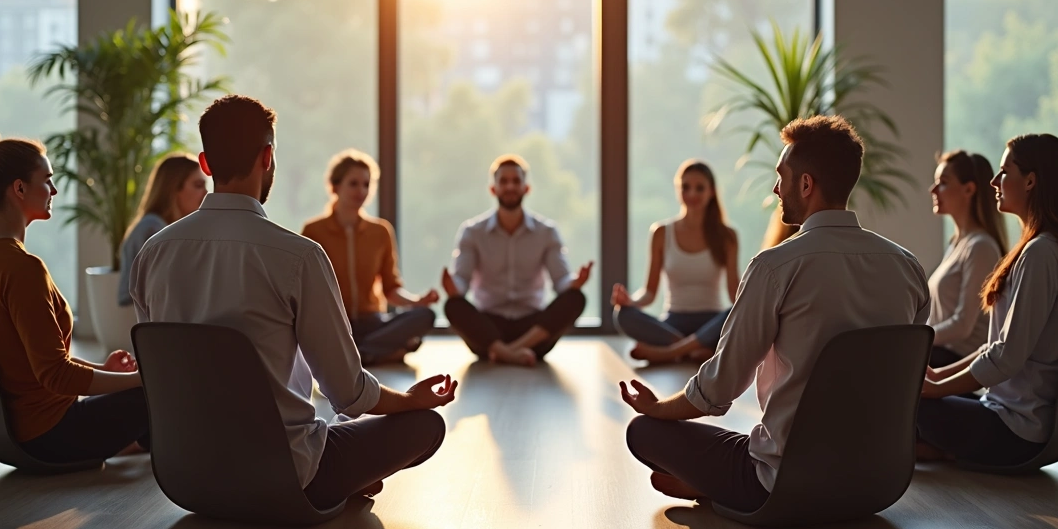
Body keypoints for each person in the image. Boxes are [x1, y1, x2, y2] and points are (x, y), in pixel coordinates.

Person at [130, 95, 455, 508]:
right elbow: (349, 394)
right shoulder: (298, 255)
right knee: (424, 425)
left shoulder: (152, 255)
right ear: (267, 157)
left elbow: (155, 372)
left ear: (206, 164)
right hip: (285, 478)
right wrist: (410, 400)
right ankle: (345, 477)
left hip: (185, 479)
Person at [618, 115, 929, 511]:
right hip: (880, 485)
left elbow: (719, 387)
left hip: (785, 484)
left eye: (782, 176)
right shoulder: (908, 268)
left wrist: (657, 408)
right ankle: (715, 485)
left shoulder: (776, 266)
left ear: (806, 184)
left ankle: (715, 488)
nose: (776, 187)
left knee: (644, 431)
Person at [0, 128, 148, 463]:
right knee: (162, 389)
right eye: (47, 179)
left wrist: (106, 370)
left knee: (144, 393)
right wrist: (140, 380)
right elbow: (56, 375)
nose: (54, 190)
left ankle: (133, 442)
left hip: (14, 432)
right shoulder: (22, 268)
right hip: (50, 434)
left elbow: (32, 360)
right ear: (20, 188)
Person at [918, 134, 1058, 466]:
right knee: (911, 395)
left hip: (1016, 430)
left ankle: (939, 451)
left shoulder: (1042, 253)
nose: (994, 181)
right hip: (1012, 419)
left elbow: (1006, 357)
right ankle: (939, 451)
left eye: (1004, 172)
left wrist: (937, 390)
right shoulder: (1050, 248)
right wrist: (938, 378)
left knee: (903, 399)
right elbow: (1000, 345)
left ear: (1031, 181)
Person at [442, 154, 594, 366]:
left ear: (526, 188)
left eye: (516, 181)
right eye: (503, 181)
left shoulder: (547, 232)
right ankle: (510, 353)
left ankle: (507, 352)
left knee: (576, 298)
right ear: (493, 189)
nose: (510, 186)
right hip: (488, 329)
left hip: (533, 330)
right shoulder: (472, 232)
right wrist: (452, 287)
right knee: (453, 305)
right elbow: (461, 282)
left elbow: (561, 282)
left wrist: (576, 281)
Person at [302, 150, 437, 365]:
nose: (361, 191)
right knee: (408, 342)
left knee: (425, 316)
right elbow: (306, 286)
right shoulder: (314, 231)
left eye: (366, 184)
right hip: (334, 323)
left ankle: (360, 354)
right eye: (353, 183)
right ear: (335, 187)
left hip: (371, 321)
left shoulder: (381, 232)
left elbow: (390, 288)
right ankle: (379, 351)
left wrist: (417, 301)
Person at [612, 159, 740, 365]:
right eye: (686, 187)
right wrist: (630, 302)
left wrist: (754, 303)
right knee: (623, 315)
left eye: (699, 188)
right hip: (673, 324)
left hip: (713, 323)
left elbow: (735, 293)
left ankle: (668, 353)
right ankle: (695, 350)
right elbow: (649, 292)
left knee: (739, 310)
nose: (692, 194)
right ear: (677, 189)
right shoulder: (661, 233)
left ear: (712, 192)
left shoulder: (727, 236)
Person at [926, 151, 1007, 368]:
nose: (933, 190)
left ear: (969, 189)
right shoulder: (956, 244)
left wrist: (914, 339)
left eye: (942, 183)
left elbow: (963, 325)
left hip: (955, 364)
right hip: (937, 355)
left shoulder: (981, 247)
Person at [117, 153, 208, 306]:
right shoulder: (152, 229)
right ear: (174, 188)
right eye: (198, 185)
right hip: (144, 322)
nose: (206, 194)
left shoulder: (162, 227)